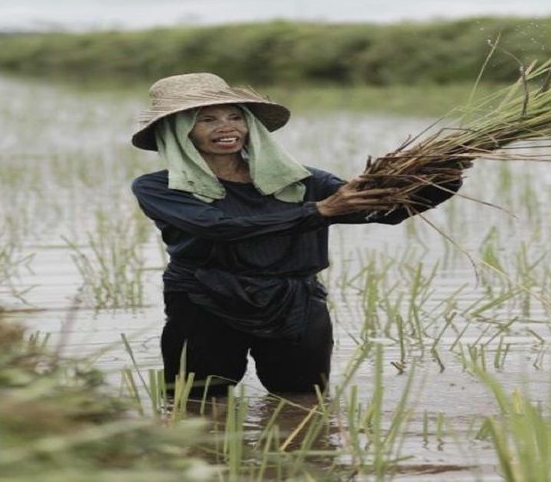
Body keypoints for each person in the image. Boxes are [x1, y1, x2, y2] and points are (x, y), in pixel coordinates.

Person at [130, 73, 465, 396]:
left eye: (235, 116)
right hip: (205, 299)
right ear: (179, 132)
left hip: (296, 302)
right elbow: (218, 228)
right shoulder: (159, 187)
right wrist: (318, 211)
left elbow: (381, 213)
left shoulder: (302, 181)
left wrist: (441, 178)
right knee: (199, 402)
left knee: (304, 400)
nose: (227, 127)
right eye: (207, 120)